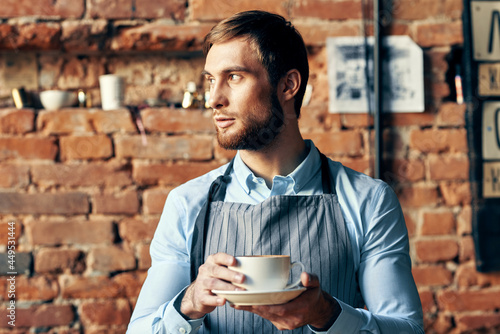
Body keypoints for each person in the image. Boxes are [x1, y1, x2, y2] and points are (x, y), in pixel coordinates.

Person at [127, 10, 424, 334]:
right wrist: (190, 302)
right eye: (211, 80)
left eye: (234, 77)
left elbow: (408, 329)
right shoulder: (187, 204)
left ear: (288, 85)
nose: (213, 99)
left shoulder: (369, 201)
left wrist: (328, 314)